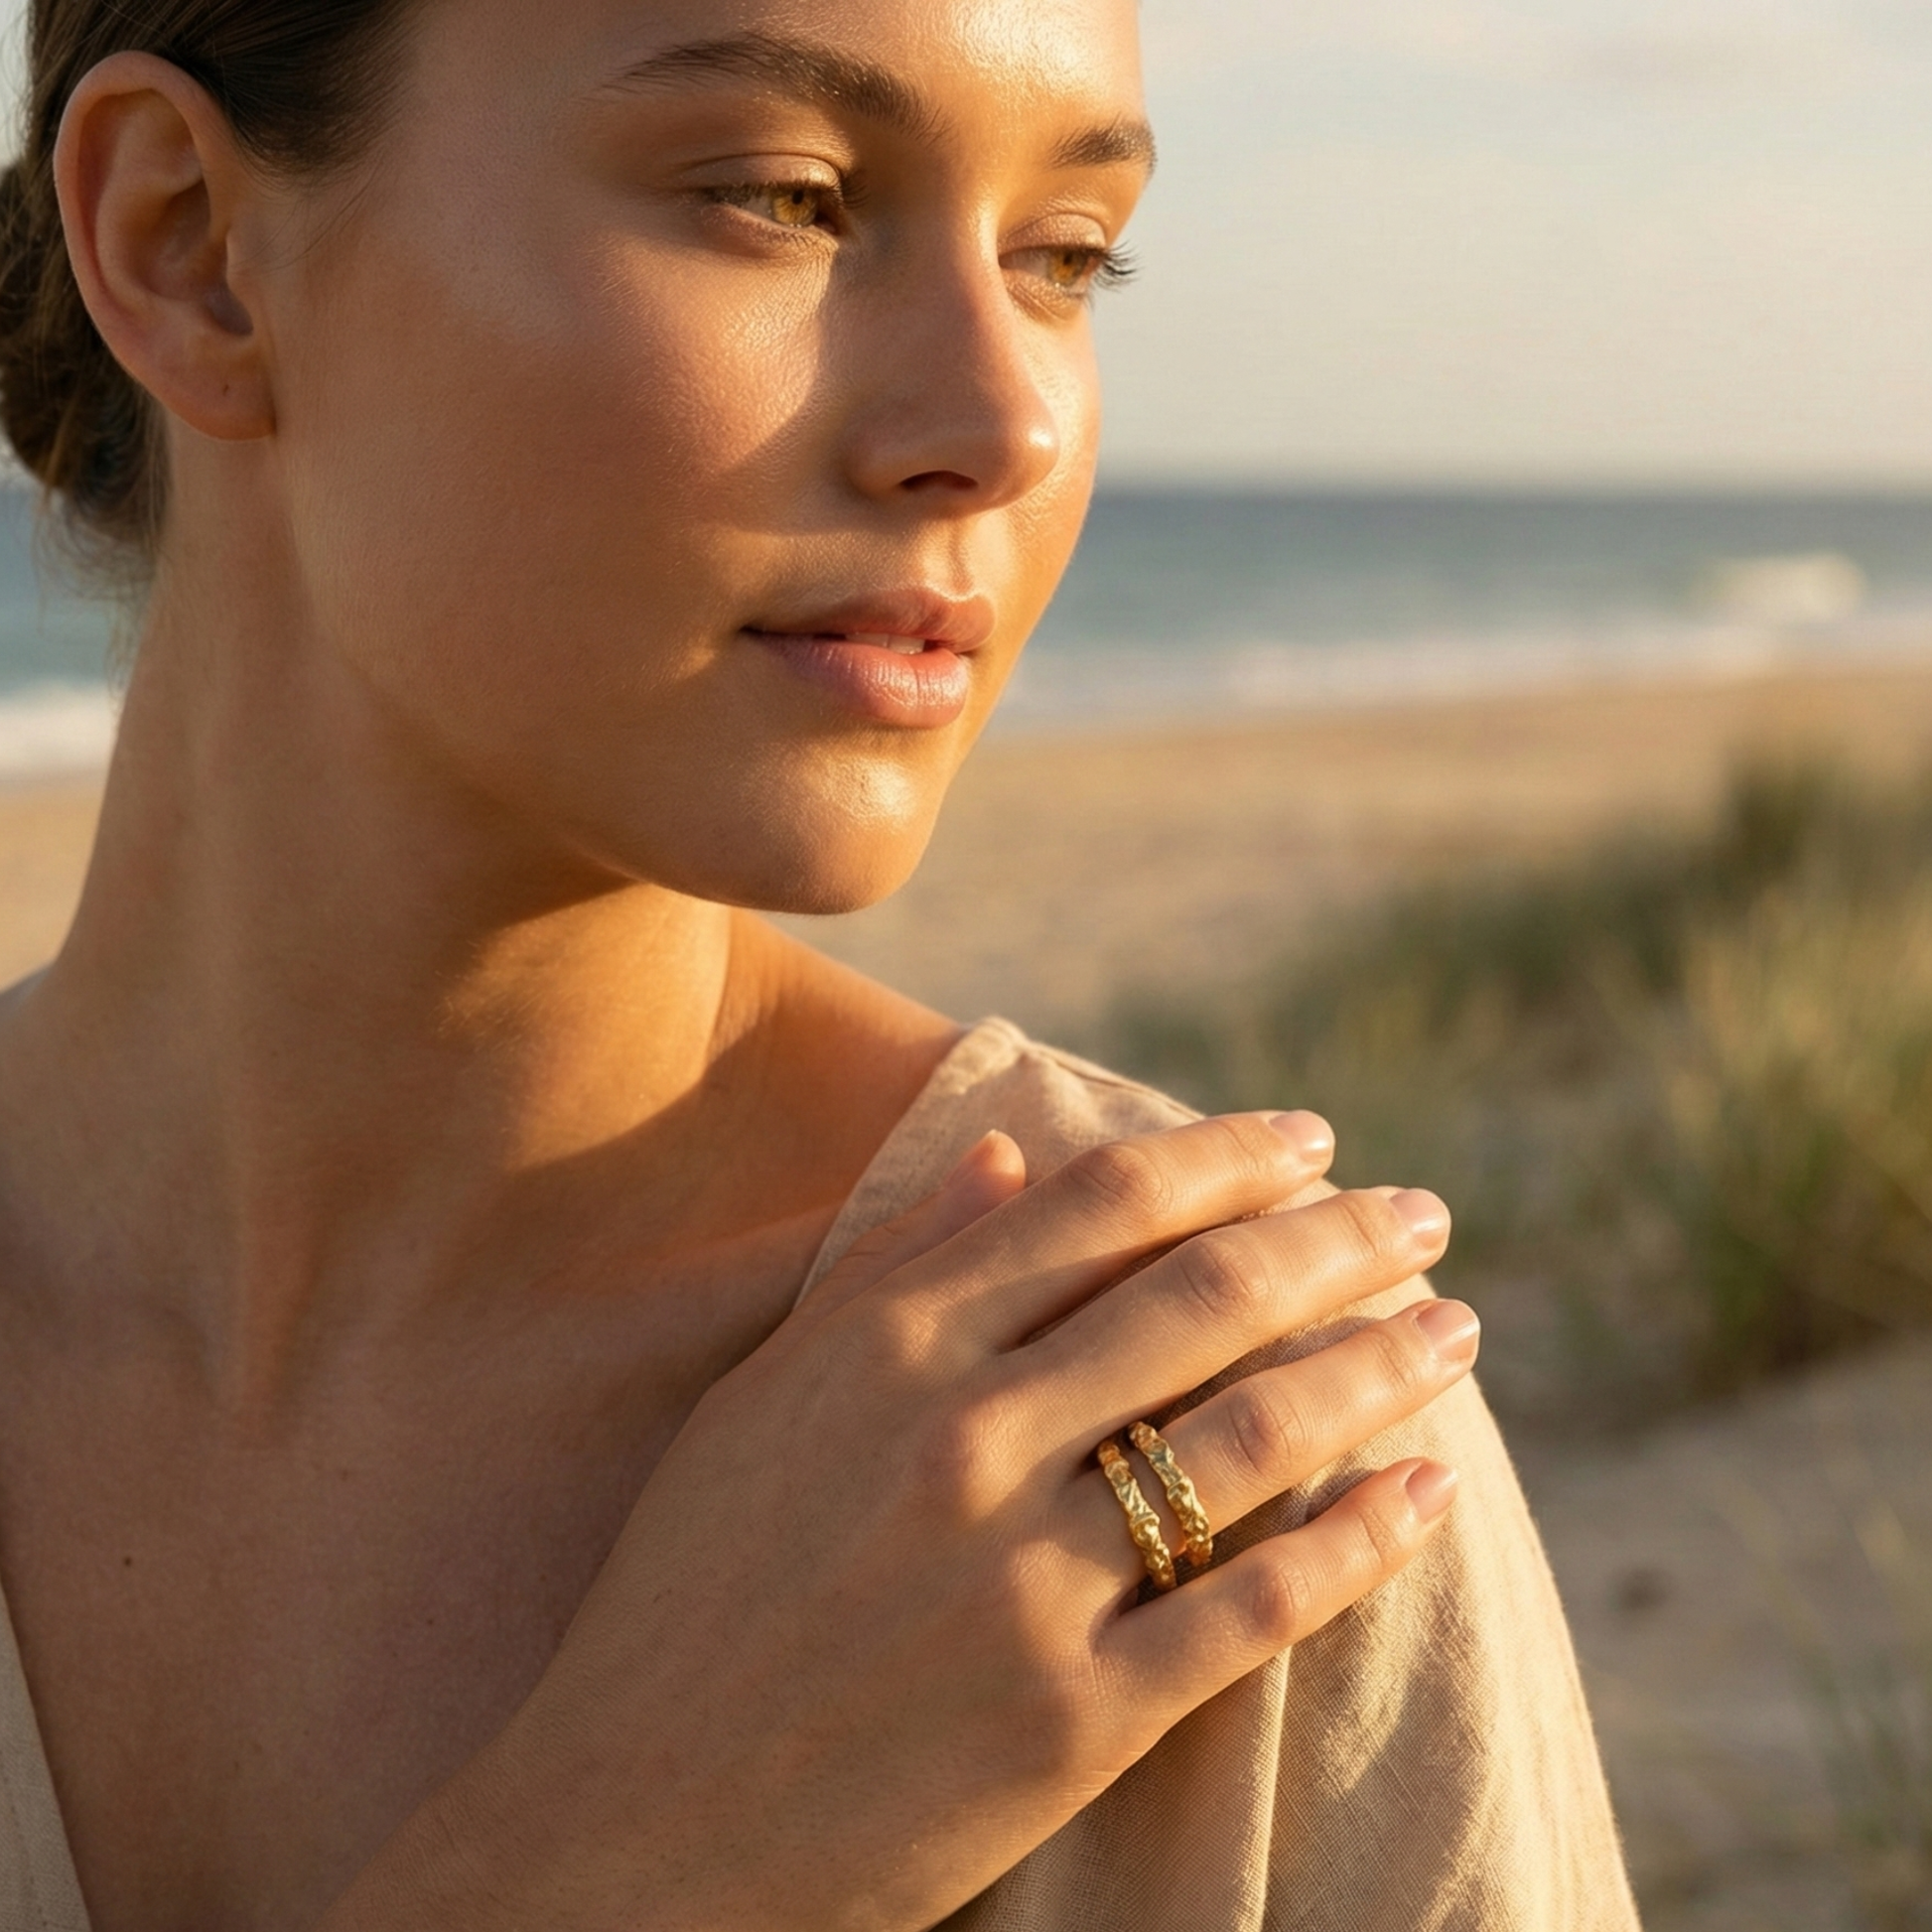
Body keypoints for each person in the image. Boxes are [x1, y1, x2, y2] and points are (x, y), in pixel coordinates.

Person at [0, 0, 1639, 1926]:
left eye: (1065, 256)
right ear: (187, 243)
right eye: (784, 198)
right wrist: (619, 1865)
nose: (1007, 424)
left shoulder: (1200, 1452)